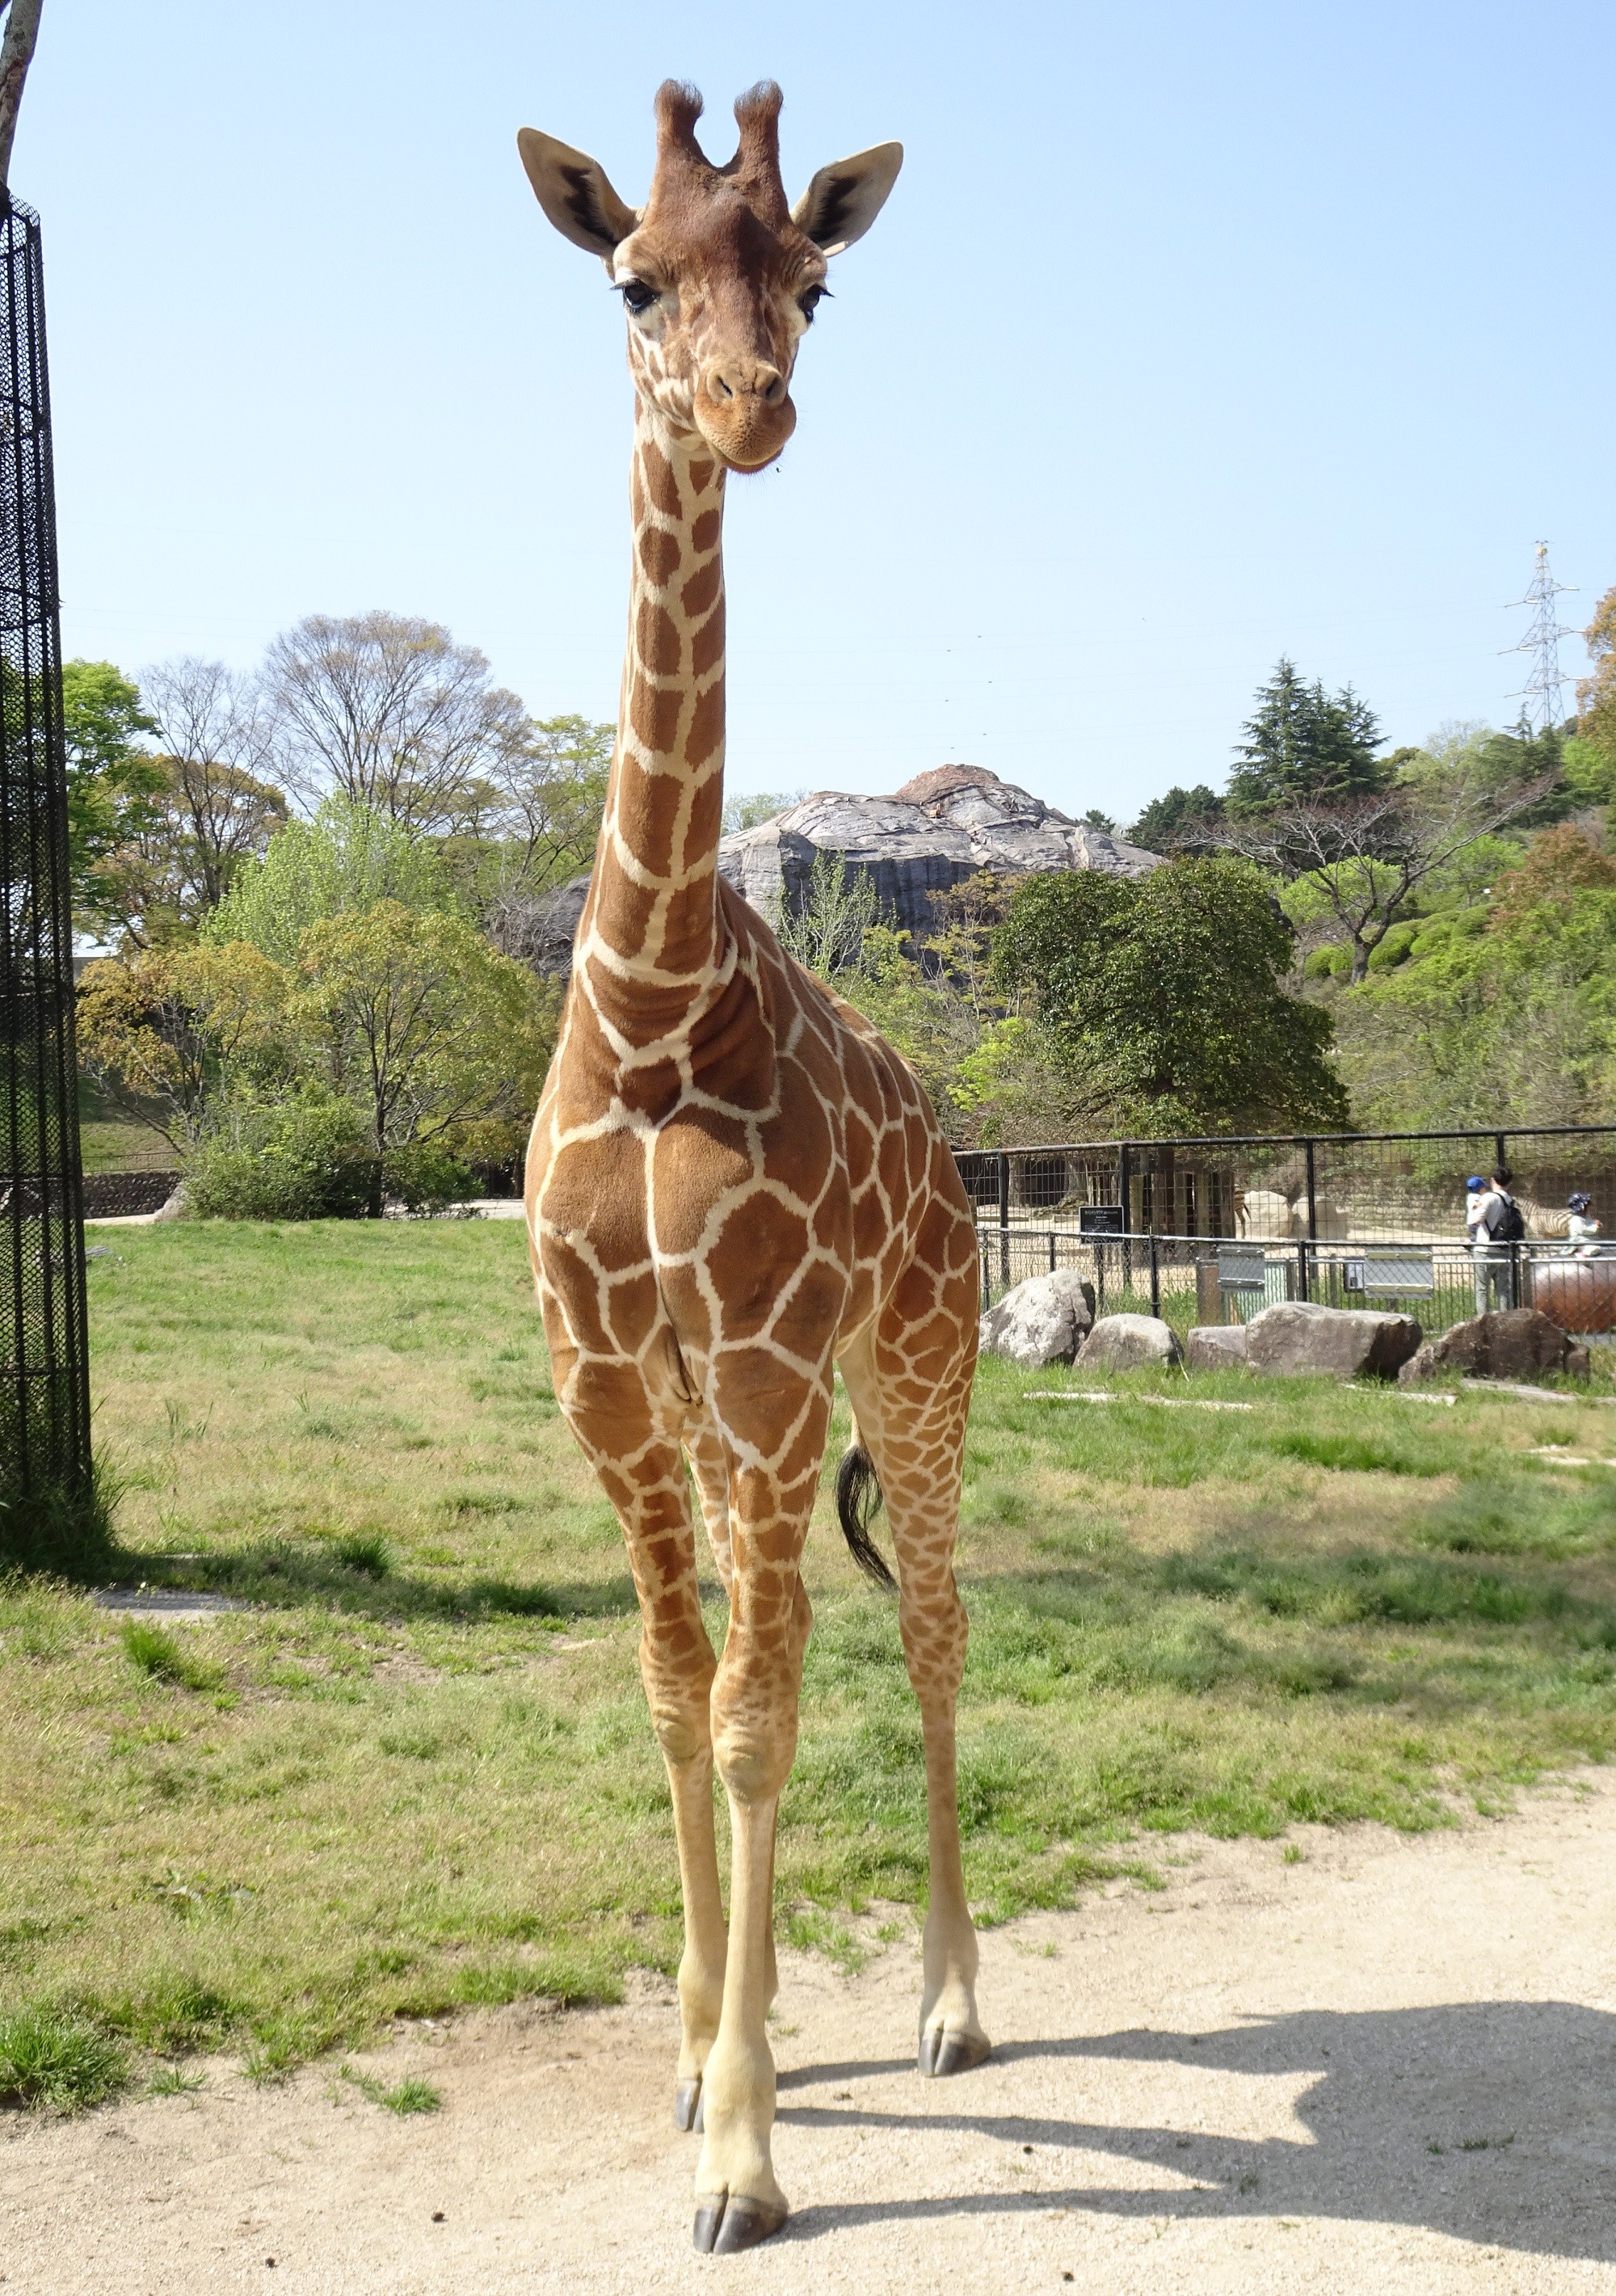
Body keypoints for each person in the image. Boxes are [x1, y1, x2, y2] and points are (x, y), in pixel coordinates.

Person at [1471, 1166, 1524, 1312]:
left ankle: (1483, 1322)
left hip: (1485, 1250)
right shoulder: (1510, 1200)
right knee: (1503, 1290)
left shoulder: (1488, 1197)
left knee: (1482, 1289)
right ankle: (1505, 1320)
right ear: (1509, 1183)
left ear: (1493, 1180)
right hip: (1504, 1251)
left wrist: (1474, 1208)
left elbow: (1477, 1220)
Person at [1566, 1191, 1603, 1258]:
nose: (1589, 1209)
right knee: (1595, 1248)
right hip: (1579, 1241)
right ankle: (1583, 1255)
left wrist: (1599, 1224)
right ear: (1582, 1208)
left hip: (1587, 1240)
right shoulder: (1576, 1219)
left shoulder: (1585, 1218)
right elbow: (1584, 1230)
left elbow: (1592, 1223)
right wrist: (1596, 1226)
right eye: (1587, 1207)